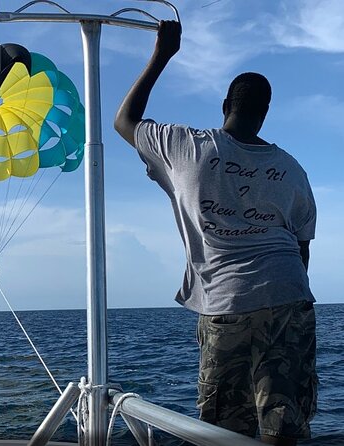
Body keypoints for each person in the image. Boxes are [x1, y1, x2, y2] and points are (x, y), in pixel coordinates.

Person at [114, 21, 317, 446]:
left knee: (224, 428)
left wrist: (162, 54)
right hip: (289, 293)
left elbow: (124, 120)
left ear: (226, 103)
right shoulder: (293, 169)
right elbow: (302, 250)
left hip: (226, 302)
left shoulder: (185, 146)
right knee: (284, 424)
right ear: (265, 113)